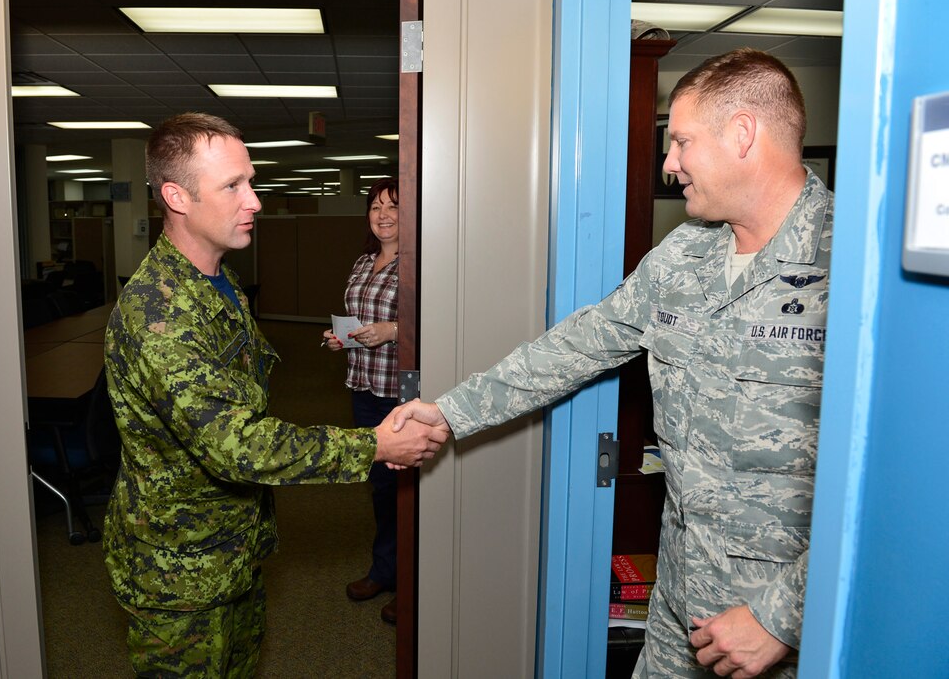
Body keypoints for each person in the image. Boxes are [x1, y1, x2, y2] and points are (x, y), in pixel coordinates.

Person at [391, 48, 830, 679]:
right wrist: (450, 411)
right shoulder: (687, 251)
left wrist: (783, 616)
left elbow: (905, 475)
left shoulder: (853, 268)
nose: (669, 162)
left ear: (742, 134)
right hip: (681, 596)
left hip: (780, 629)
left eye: (680, 141)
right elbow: (579, 344)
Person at [102, 112, 447, 678]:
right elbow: (235, 444)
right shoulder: (159, 311)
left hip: (231, 548)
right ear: (176, 196)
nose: (255, 201)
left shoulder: (218, 279)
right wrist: (375, 445)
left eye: (251, 181)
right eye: (232, 186)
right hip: (181, 570)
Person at [321, 177, 402, 625]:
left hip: (400, 391)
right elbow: (357, 318)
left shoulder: (421, 262)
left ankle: (411, 580)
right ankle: (384, 570)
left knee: (406, 491)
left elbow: (442, 321)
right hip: (364, 386)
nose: (383, 214)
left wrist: (392, 331)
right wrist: (343, 339)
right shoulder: (364, 260)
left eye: (393, 206)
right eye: (375, 207)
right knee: (381, 489)